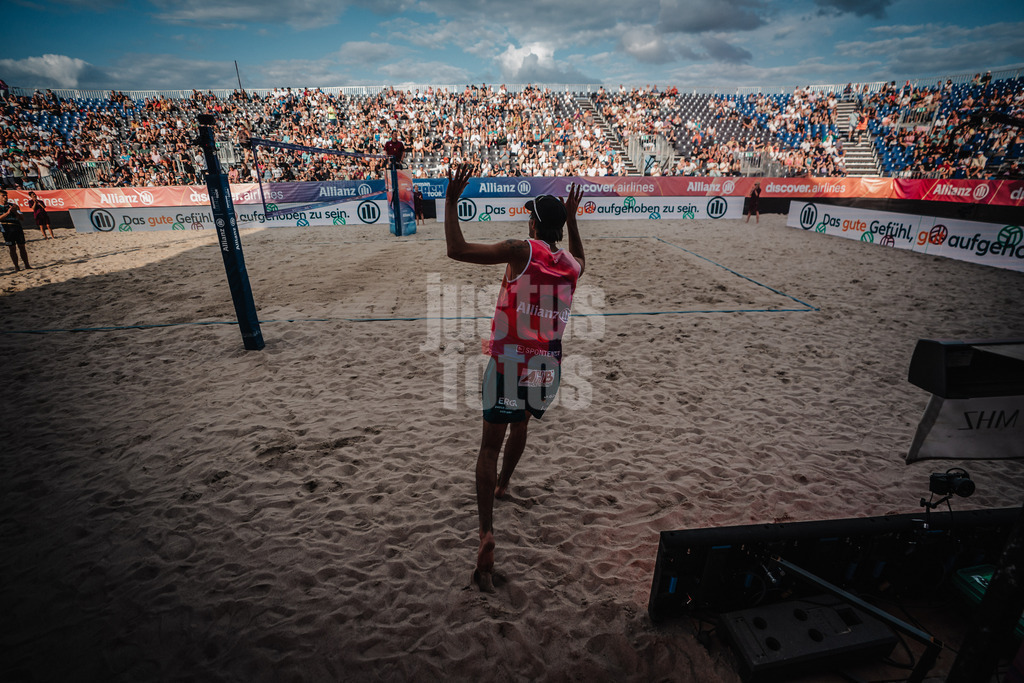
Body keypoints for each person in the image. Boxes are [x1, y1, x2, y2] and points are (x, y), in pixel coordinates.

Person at [444, 163, 585, 593]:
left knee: (490, 443)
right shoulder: (572, 267)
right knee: (521, 425)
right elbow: (583, 257)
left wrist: (451, 200)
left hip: (508, 362)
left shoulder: (520, 250)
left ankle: (486, 531)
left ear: (532, 221)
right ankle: (505, 485)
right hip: (547, 365)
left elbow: (457, 249)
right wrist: (574, 219)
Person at [0, 190, 31, 272]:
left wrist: (16, 213)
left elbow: (22, 218)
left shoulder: (14, 206)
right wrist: (7, 213)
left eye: (6, 195)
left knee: (22, 246)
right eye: (3, 195)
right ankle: (16, 266)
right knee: (12, 248)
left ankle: (27, 265)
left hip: (17, 227)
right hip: (6, 229)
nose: (5, 197)